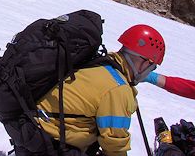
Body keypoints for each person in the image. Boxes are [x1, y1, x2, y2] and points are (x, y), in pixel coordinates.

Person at [36, 24, 166, 156]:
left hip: (34, 129)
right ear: (146, 63)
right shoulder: (118, 89)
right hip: (51, 144)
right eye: (152, 67)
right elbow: (115, 146)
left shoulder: (102, 62)